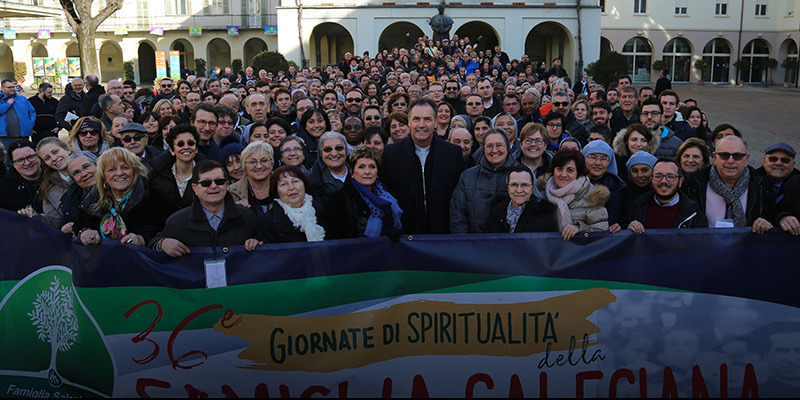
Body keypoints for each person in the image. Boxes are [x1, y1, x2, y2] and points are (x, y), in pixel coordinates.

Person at [381, 98, 464, 234]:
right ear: (409, 122)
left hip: (443, 233)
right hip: (405, 234)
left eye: (427, 119)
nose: (421, 124)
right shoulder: (391, 154)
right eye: (416, 119)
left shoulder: (453, 154)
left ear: (436, 122)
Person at [150, 160, 261, 257]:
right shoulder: (177, 222)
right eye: (206, 183)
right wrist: (162, 244)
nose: (213, 186)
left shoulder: (248, 217)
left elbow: (265, 246)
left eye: (219, 182)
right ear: (195, 188)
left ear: (227, 185)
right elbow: (153, 243)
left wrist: (256, 242)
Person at [74, 147, 163, 247]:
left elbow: (162, 232)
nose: (119, 173)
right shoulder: (95, 196)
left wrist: (142, 239)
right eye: (112, 169)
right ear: (104, 176)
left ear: (134, 171)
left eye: (125, 167)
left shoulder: (153, 195)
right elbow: (80, 224)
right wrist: (85, 231)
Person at [683, 136, 773, 233]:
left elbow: (774, 215)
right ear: (714, 157)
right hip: (704, 246)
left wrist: (773, 220)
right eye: (724, 155)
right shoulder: (693, 184)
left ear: (746, 159)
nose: (730, 161)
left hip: (748, 246)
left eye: (737, 156)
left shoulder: (762, 185)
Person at [450, 129, 516, 233]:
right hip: (473, 245)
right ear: (483, 149)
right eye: (489, 146)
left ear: (507, 147)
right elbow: (457, 216)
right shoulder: (467, 176)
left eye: (499, 145)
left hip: (507, 245)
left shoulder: (519, 175)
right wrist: (464, 244)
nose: (494, 150)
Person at [256, 165, 337, 243]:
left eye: (295, 181)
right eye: (284, 184)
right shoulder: (268, 221)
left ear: (304, 184)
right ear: (276, 191)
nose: (291, 187)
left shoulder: (324, 210)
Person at [543, 148, 609, 240]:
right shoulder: (542, 193)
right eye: (559, 169)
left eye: (570, 170)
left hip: (580, 251)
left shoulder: (592, 196)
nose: (563, 174)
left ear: (578, 173)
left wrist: (580, 229)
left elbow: (602, 230)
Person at [625, 158, 707, 233]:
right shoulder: (636, 207)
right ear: (651, 180)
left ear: (680, 181)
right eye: (658, 176)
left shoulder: (694, 213)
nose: (664, 181)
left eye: (670, 176)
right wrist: (628, 228)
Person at [340, 146, 403, 239]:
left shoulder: (389, 195)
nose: (367, 172)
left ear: (377, 172)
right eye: (361, 167)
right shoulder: (341, 199)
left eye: (372, 167)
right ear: (351, 172)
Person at [148, 124, 203, 220]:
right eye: (180, 144)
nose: (186, 147)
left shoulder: (207, 174)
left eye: (190, 143)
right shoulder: (156, 176)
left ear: (196, 148)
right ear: (172, 150)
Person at [484, 165, 558, 233]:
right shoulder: (496, 212)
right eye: (514, 185)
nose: (519, 190)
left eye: (524, 185)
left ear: (532, 188)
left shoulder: (544, 215)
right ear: (508, 187)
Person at [582, 139, 626, 230]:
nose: (598, 163)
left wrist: (619, 225)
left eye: (604, 159)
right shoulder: (574, 184)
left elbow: (623, 218)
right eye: (593, 157)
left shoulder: (618, 187)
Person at [227, 141, 274, 215]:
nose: (259, 166)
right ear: (244, 166)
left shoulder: (285, 186)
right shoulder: (231, 191)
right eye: (252, 162)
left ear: (272, 164)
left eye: (264, 161)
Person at [58, 151, 98, 234]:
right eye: (76, 172)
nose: (83, 174)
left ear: (97, 165)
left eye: (86, 167)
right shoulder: (69, 199)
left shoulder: (117, 189)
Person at [0, 140, 43, 212]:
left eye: (30, 157)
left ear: (39, 156)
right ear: (13, 164)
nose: (27, 163)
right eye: (20, 160)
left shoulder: (56, 177)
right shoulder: (4, 189)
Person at [0, 79, 37, 154]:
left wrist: (30, 124)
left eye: (13, 87)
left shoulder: (22, 99)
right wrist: (7, 104)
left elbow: (32, 112)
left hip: (22, 134)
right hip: (5, 136)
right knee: (7, 158)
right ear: (2, 88)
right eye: (9, 87)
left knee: (25, 155)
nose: (12, 89)